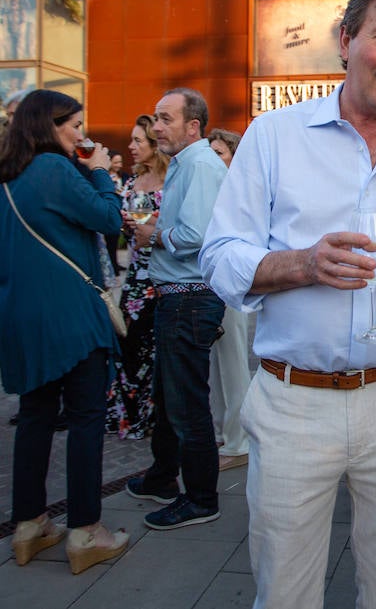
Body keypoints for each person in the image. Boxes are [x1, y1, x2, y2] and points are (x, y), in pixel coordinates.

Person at [200, 0, 376, 609]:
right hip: (296, 401)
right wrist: (304, 265)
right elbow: (220, 255)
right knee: (284, 588)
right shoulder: (274, 136)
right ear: (345, 40)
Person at [0, 90, 129, 573]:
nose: (81, 133)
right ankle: (86, 532)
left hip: (20, 317)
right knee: (86, 418)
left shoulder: (7, 177)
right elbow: (110, 218)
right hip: (70, 316)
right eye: (74, 124)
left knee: (34, 417)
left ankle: (29, 526)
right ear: (47, 126)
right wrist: (98, 171)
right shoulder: (54, 170)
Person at [125, 88, 227, 531]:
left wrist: (156, 236)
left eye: (165, 119)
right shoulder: (189, 163)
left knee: (186, 402)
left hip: (189, 297)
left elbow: (198, 233)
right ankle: (163, 477)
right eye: (156, 120)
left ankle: (202, 498)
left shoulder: (201, 164)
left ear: (193, 126)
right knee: (170, 397)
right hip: (179, 296)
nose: (156, 127)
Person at [106, 115, 170, 439]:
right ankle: (129, 415)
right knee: (128, 344)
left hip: (161, 276)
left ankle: (153, 416)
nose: (130, 147)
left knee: (154, 348)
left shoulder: (173, 180)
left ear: (154, 144)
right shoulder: (131, 182)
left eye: (137, 141)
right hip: (134, 277)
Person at [205, 126, 251, 471]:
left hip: (233, 286)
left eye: (219, 152)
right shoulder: (211, 187)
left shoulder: (239, 191)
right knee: (218, 365)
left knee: (234, 362)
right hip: (210, 283)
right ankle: (226, 433)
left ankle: (239, 441)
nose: (213, 159)